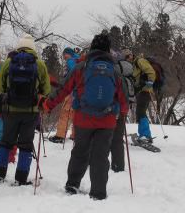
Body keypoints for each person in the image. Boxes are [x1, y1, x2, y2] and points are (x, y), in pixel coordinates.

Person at [43, 34, 129, 200]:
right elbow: (123, 98)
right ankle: (98, 192)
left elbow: (63, 89)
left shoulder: (81, 67)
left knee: (80, 152)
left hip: (83, 118)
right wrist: (122, 111)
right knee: (100, 155)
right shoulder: (115, 70)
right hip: (107, 121)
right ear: (107, 49)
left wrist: (48, 105)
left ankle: (72, 185)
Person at [0, 35, 51, 188]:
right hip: (31, 111)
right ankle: (21, 178)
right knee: (26, 144)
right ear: (33, 48)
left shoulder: (9, 62)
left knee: (6, 142)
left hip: (10, 110)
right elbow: (46, 89)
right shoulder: (40, 64)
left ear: (19, 46)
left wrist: (9, 95)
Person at [122, 50, 156, 145]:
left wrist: (149, 84)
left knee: (141, 112)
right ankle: (144, 134)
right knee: (140, 112)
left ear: (130, 56)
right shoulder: (133, 65)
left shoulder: (139, 61)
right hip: (141, 91)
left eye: (126, 57)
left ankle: (145, 135)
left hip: (145, 91)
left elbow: (151, 72)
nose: (126, 60)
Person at [110, 53, 136, 172]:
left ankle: (98, 163)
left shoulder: (112, 70)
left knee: (102, 137)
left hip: (109, 107)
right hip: (123, 106)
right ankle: (118, 166)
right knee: (118, 137)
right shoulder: (129, 69)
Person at [48, 47, 80, 144]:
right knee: (75, 113)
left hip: (71, 91)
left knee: (65, 113)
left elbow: (72, 75)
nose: (63, 57)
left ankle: (60, 135)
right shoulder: (78, 61)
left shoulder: (70, 61)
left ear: (69, 54)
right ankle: (75, 135)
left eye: (64, 54)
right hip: (78, 91)